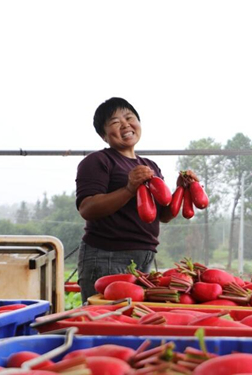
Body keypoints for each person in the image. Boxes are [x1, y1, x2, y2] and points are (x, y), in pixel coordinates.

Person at [75, 97, 199, 302]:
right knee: (107, 321)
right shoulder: (97, 161)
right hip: (107, 255)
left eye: (129, 117)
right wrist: (129, 188)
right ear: (103, 135)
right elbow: (87, 208)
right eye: (115, 122)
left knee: (130, 319)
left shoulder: (150, 165)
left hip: (145, 255)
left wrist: (181, 189)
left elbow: (164, 215)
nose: (125, 124)